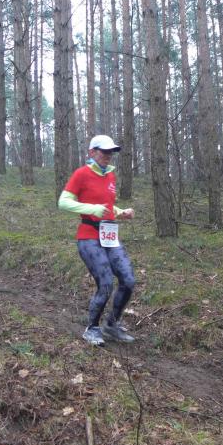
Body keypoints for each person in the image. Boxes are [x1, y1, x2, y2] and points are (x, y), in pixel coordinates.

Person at [58, 134, 136, 347]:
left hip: (109, 236)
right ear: (92, 152)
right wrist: (91, 209)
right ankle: (91, 328)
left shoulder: (110, 175)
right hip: (88, 237)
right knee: (106, 283)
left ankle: (111, 325)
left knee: (128, 280)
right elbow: (63, 202)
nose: (108, 155)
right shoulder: (81, 174)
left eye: (111, 152)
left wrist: (121, 212)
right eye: (104, 151)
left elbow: (107, 206)